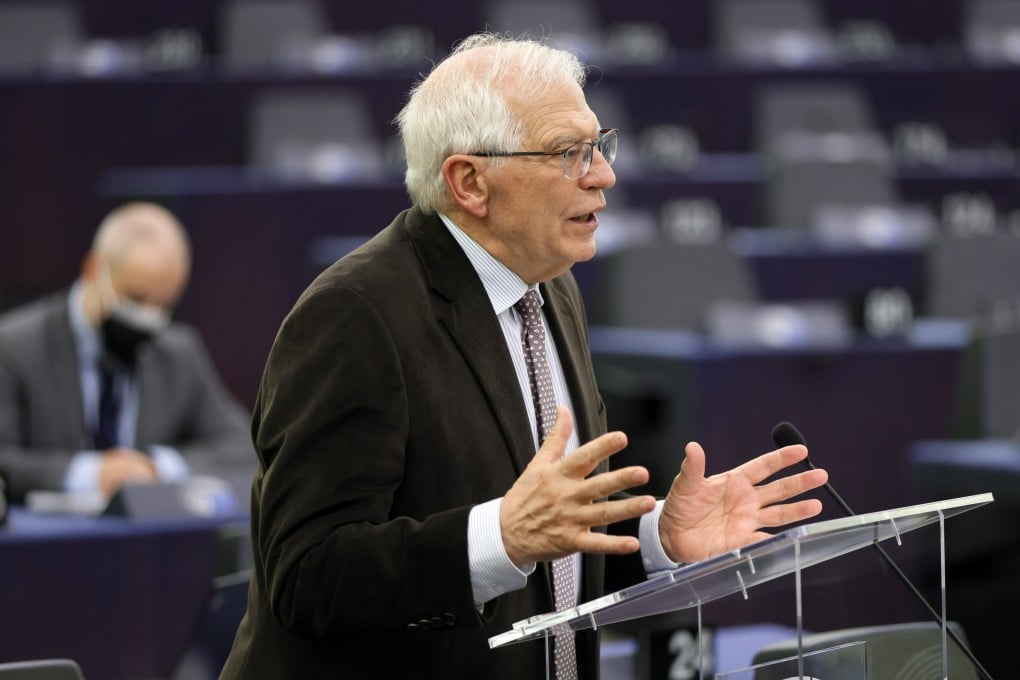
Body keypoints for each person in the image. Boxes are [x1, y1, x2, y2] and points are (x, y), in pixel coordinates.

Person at [220, 33, 828, 679]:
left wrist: (656, 542)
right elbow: (308, 575)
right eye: (569, 153)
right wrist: (500, 536)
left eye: (599, 146)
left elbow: (551, 550)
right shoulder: (354, 314)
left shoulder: (552, 288)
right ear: (470, 182)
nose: (604, 175)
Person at [0, 201, 254, 505]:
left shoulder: (177, 353)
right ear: (93, 270)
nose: (148, 316)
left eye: (164, 305)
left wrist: (156, 467)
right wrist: (94, 473)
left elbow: (242, 446)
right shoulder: (14, 346)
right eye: (136, 297)